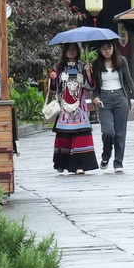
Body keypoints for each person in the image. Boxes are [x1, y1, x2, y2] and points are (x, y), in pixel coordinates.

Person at [90, 40, 134, 172]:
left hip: (120, 98)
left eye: (110, 48)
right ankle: (106, 154)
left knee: (120, 133)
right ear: (100, 50)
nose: (107, 51)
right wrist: (96, 97)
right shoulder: (96, 64)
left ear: (113, 48)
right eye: (104, 48)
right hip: (104, 99)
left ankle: (118, 162)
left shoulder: (121, 61)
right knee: (108, 132)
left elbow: (128, 79)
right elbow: (95, 85)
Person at [47, 43, 98, 174]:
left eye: (74, 49)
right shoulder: (58, 68)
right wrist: (53, 79)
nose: (71, 51)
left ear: (78, 51)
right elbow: (54, 89)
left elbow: (91, 86)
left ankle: (80, 165)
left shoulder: (83, 67)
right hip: (64, 109)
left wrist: (88, 72)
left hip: (80, 108)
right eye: (69, 49)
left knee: (81, 136)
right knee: (64, 138)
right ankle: (62, 163)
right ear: (64, 51)